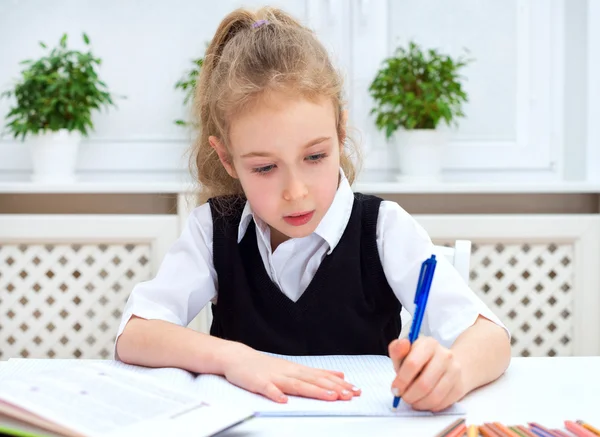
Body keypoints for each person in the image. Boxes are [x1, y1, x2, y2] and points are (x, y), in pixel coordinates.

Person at [115, 6, 511, 412]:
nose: (296, 191)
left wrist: (454, 372)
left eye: (316, 156)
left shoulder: (384, 229)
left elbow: (491, 339)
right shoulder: (211, 230)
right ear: (228, 159)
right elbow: (135, 334)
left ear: (340, 131)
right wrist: (236, 358)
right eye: (265, 167)